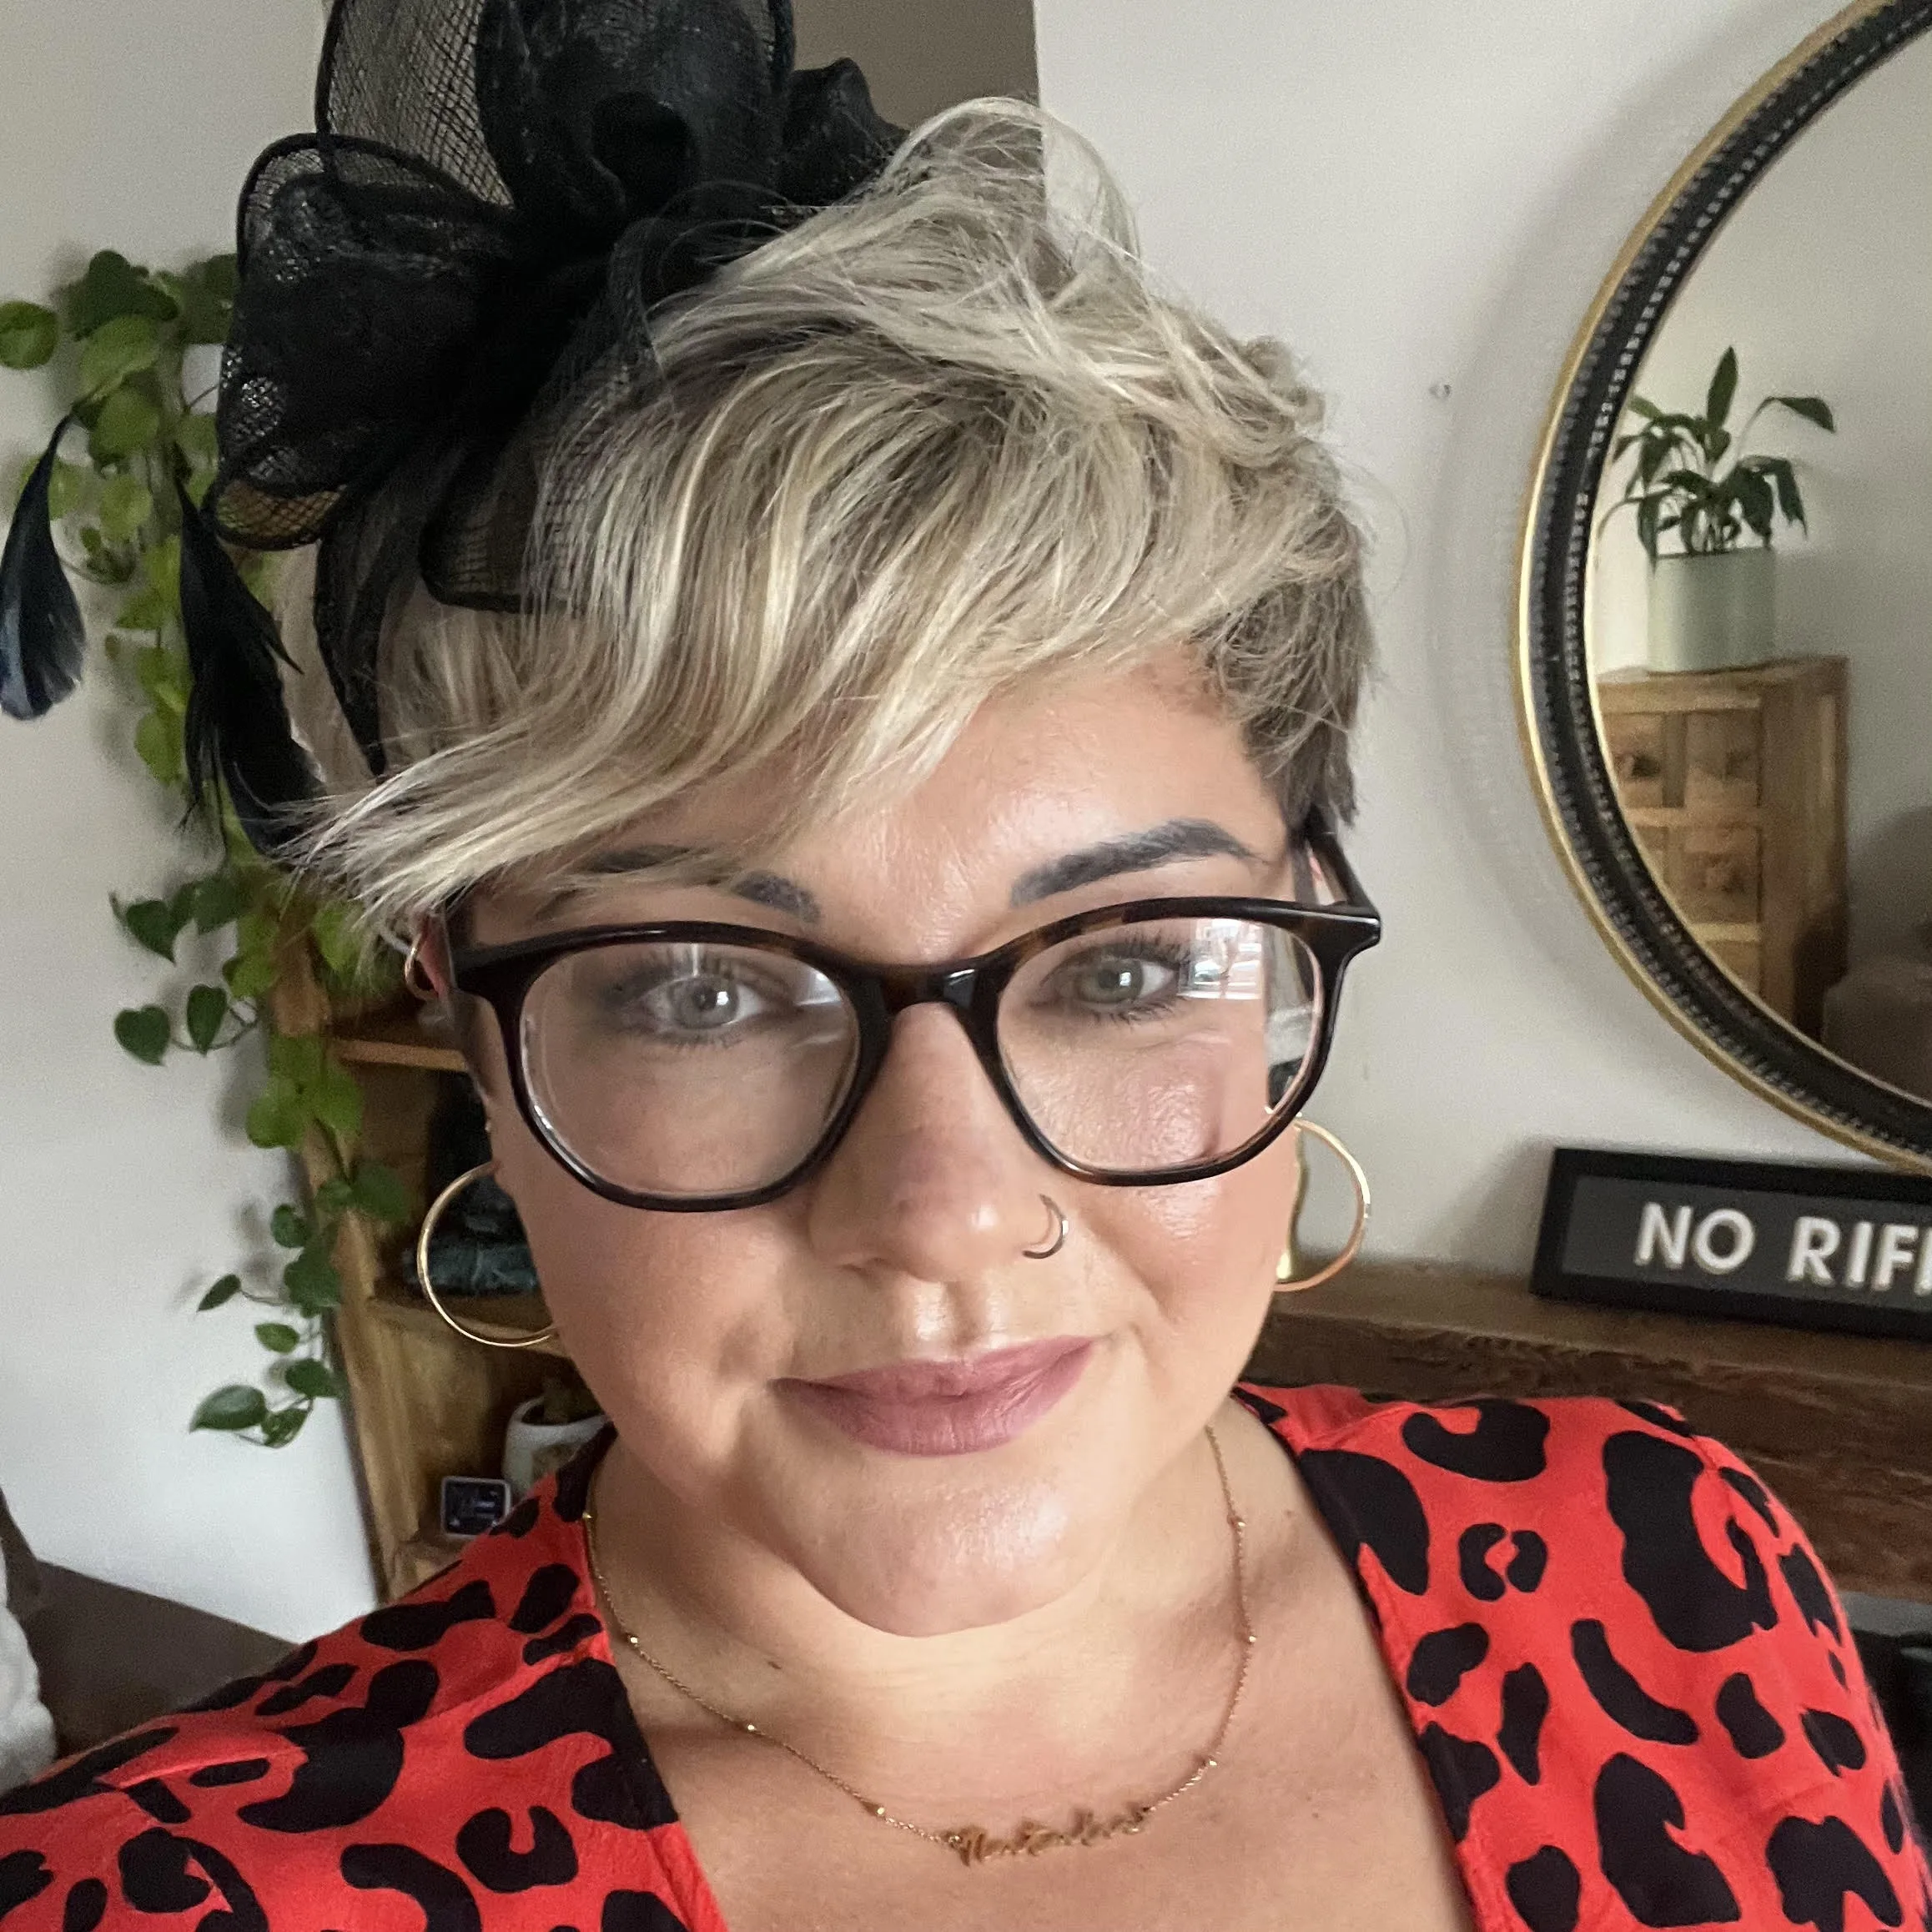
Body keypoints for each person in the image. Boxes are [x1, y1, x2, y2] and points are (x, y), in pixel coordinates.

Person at [0, 2, 1923, 1926]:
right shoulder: (159, 1897)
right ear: (471, 1021)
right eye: (699, 985)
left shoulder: (1670, 1563)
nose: (941, 1214)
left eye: (1125, 965)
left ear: (1300, 925)